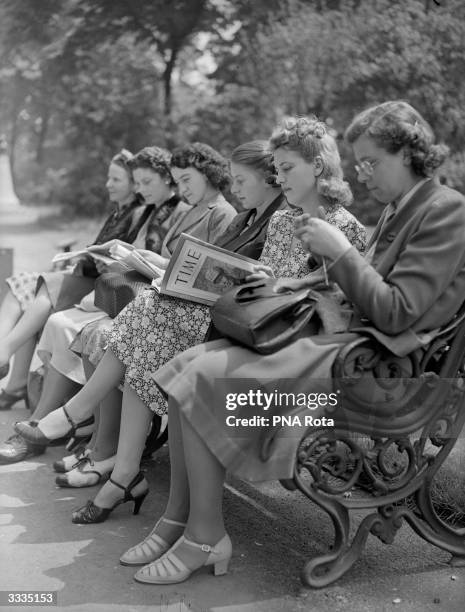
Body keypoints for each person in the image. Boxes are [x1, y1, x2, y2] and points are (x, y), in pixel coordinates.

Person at [50, 101, 464, 586]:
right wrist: (299, 286)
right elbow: (362, 290)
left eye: (373, 161)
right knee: (183, 369)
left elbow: (394, 312)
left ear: (411, 154)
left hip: (373, 376)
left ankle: (203, 535)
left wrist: (341, 254)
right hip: (342, 349)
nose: (362, 172)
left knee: (199, 376)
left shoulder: (446, 211)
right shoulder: (405, 206)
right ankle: (184, 524)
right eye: (360, 161)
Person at [16, 119, 366, 529]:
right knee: (148, 324)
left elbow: (329, 309)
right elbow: (265, 277)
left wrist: (269, 284)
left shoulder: (345, 229)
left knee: (151, 314)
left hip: (285, 344)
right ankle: (120, 467)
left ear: (320, 167)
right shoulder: (283, 220)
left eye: (287, 168)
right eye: (278, 168)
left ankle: (89, 429)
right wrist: (247, 277)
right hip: (251, 320)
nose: (279, 176)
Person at [0, 146, 189, 463]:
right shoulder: (147, 212)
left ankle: (46, 423)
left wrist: (122, 256)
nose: (140, 189)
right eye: (138, 182)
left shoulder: (173, 212)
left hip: (135, 297)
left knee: (66, 320)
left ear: (167, 179)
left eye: (143, 181)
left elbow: (168, 266)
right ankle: (46, 417)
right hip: (120, 290)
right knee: (56, 317)